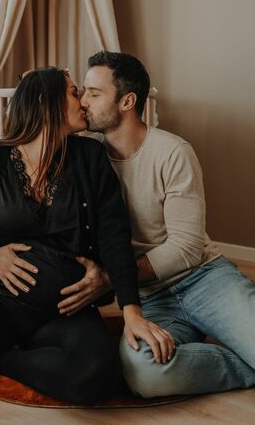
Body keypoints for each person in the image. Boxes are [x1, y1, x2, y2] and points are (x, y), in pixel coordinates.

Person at [0, 67, 174, 406]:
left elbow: (114, 235)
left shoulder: (90, 157)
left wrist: (131, 310)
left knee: (95, 377)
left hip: (68, 306)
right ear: (48, 102)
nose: (84, 101)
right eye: (74, 93)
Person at [58, 50, 254, 398]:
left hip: (204, 280)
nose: (83, 101)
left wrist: (112, 281)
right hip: (149, 299)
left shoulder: (173, 152)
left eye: (94, 92)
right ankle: (242, 365)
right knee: (145, 375)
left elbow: (187, 248)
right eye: (83, 91)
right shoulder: (86, 156)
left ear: (127, 101)